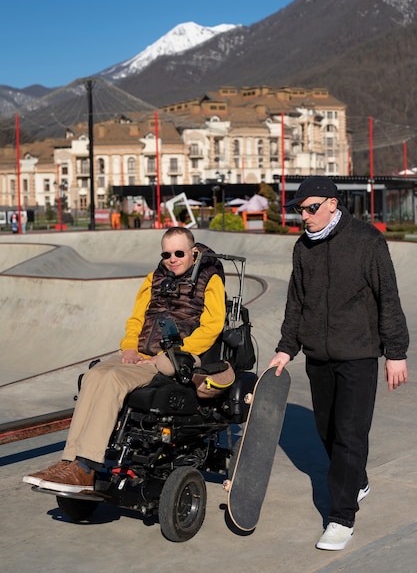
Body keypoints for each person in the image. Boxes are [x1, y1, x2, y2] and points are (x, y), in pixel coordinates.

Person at [23, 226, 226, 493]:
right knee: (94, 376)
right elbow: (136, 320)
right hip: (139, 353)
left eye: (179, 253)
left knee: (113, 380)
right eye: (167, 254)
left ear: (193, 252)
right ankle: (69, 461)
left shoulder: (210, 280)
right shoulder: (154, 278)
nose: (172, 259)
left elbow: (212, 327)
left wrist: (170, 355)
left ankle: (86, 468)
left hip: (174, 360)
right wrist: (129, 348)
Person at [268, 176, 409, 551]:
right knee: (327, 430)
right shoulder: (304, 248)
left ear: (332, 203)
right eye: (300, 210)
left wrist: (395, 352)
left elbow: (388, 297)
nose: (305, 216)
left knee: (350, 435)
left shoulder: (367, 241)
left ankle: (341, 517)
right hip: (319, 357)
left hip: (360, 355)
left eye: (311, 208)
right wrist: (287, 348)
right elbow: (296, 302)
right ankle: (357, 480)